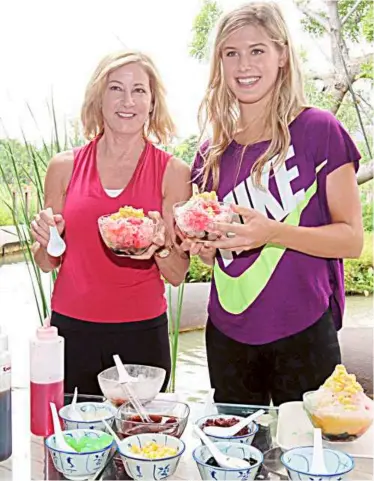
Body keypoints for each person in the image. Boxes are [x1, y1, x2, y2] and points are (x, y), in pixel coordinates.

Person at [182, 2, 363, 406]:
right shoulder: (211, 151)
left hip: (303, 331)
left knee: (305, 459)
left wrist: (274, 232)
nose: (244, 64)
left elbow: (352, 240)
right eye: (231, 53)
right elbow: (217, 255)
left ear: (282, 55)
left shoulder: (319, 130)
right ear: (220, 65)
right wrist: (202, 245)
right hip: (227, 334)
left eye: (257, 50)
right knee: (235, 460)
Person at [31, 50, 191, 395]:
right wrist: (46, 240)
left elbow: (178, 274)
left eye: (139, 91)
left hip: (142, 333)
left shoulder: (173, 172)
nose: (127, 101)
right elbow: (46, 262)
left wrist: (161, 247)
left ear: (152, 103)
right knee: (75, 440)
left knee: (143, 442)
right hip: (72, 330)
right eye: (116, 88)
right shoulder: (63, 166)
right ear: (98, 99)